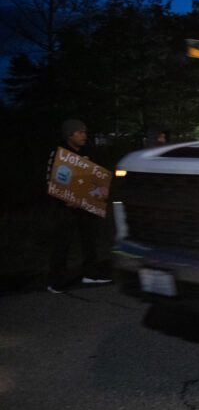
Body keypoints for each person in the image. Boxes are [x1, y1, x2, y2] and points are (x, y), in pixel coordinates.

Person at [46, 119, 112, 293]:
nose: (84, 135)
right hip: (65, 209)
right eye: (80, 132)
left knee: (89, 241)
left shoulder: (89, 152)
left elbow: (97, 179)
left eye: (85, 132)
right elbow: (50, 180)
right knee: (62, 244)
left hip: (85, 207)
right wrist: (64, 199)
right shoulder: (60, 154)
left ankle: (90, 274)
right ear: (70, 134)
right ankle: (55, 282)